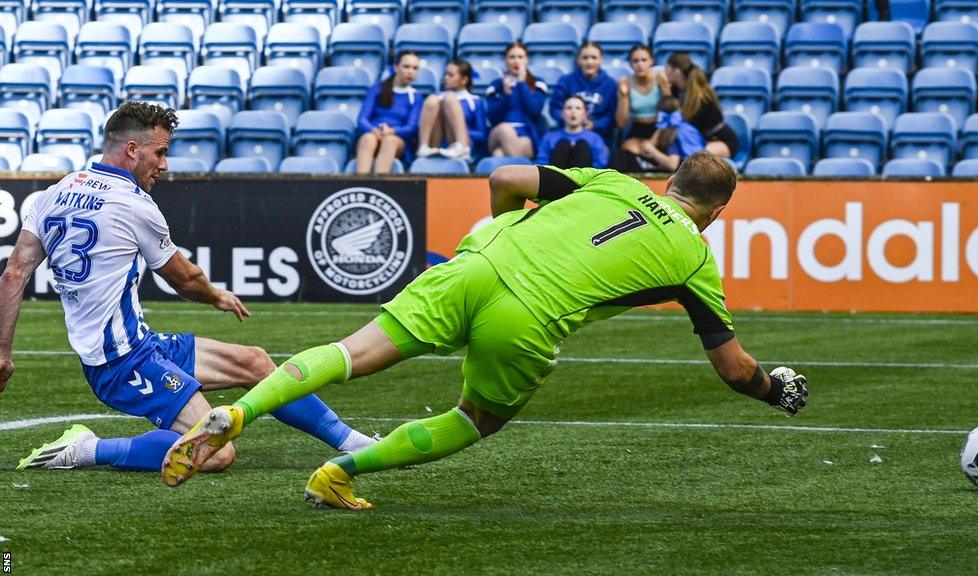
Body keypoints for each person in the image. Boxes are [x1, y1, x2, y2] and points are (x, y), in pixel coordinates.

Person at [161, 152, 809, 509]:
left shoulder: (611, 181)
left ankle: (239, 412)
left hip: (476, 265)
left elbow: (504, 178)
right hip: (527, 314)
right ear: (718, 213)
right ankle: (339, 472)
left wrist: (498, 226)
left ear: (668, 182)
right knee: (477, 418)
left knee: (351, 352)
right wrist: (771, 388)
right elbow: (732, 368)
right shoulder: (696, 258)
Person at [0, 102, 376, 473]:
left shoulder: (56, 192)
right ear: (132, 149)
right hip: (118, 363)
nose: (164, 165)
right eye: (160, 153)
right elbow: (184, 279)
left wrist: (2, 354)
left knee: (257, 361)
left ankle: (352, 442)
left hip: (141, 346)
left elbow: (14, 273)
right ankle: (90, 448)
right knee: (215, 453)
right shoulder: (133, 204)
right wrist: (217, 296)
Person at [355, 51, 424, 174]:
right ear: (396, 67)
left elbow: (411, 127)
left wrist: (392, 131)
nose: (410, 71)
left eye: (415, 68)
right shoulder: (377, 89)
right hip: (374, 133)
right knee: (368, 138)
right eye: (406, 66)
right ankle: (361, 181)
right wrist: (374, 130)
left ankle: (380, 186)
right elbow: (362, 119)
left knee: (390, 141)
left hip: (397, 140)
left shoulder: (416, 96)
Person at [664, 52, 739, 159]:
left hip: (718, 140)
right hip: (697, 140)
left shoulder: (701, 96)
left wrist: (666, 94)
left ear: (676, 71)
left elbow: (679, 120)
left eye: (666, 68)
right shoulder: (675, 90)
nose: (664, 72)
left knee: (697, 159)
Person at [486, 41, 548, 159]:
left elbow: (535, 111)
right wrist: (506, 94)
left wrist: (521, 83)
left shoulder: (537, 83)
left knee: (499, 154)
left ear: (527, 60)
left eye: (520, 57)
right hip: (498, 134)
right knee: (505, 129)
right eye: (512, 57)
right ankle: (524, 176)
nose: (516, 61)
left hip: (526, 136)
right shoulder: (496, 85)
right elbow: (493, 118)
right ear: (505, 61)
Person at [416, 59, 488, 161]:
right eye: (445, 74)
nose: (445, 78)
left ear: (464, 80)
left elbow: (482, 134)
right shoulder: (438, 98)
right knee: (432, 99)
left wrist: (462, 130)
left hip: (465, 144)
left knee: (449, 98)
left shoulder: (475, 101)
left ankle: (461, 147)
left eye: (451, 75)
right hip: (438, 143)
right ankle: (424, 147)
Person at [612, 96, 704, 173]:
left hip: (693, 171)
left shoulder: (675, 131)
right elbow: (648, 144)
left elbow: (672, 165)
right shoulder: (669, 127)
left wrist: (651, 149)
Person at [549, 42, 618, 141]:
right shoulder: (565, 81)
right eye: (585, 58)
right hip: (567, 133)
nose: (589, 62)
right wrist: (572, 120)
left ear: (601, 60)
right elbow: (555, 109)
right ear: (578, 60)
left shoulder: (610, 84)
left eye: (594, 58)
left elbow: (611, 116)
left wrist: (594, 124)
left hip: (597, 135)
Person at [615, 44, 671, 153]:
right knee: (628, 149)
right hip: (638, 130)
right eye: (635, 61)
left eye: (644, 60)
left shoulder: (660, 78)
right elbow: (621, 123)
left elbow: (671, 112)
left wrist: (665, 88)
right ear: (630, 64)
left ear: (651, 61)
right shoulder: (626, 82)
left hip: (660, 129)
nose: (640, 64)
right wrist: (624, 96)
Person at [535, 95, 609, 168]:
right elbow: (541, 162)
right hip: (556, 177)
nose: (573, 112)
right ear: (562, 113)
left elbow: (601, 163)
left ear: (585, 114)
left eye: (578, 108)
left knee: (582, 146)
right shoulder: (549, 137)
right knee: (562, 145)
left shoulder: (595, 138)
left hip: (585, 178)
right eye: (569, 108)